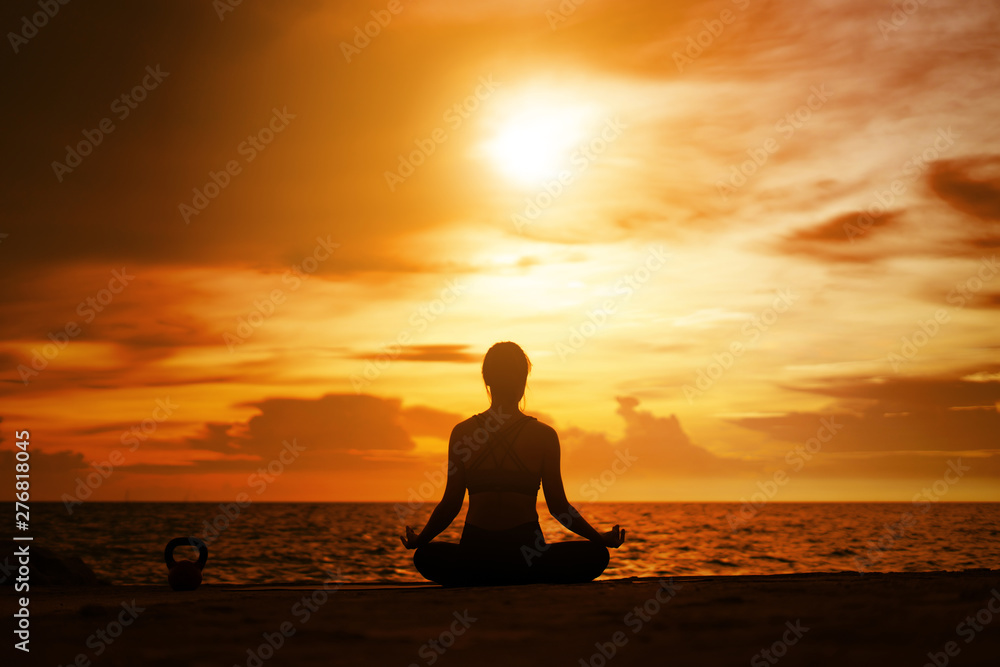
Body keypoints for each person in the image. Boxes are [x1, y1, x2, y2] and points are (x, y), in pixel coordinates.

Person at [400, 341, 626, 586]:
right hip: (526, 555)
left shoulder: (463, 433)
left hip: (476, 555)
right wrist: (599, 538)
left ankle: (481, 575)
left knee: (426, 556)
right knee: (596, 555)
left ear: (487, 380)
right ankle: (524, 575)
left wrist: (420, 540)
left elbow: (451, 504)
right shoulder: (544, 435)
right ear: (523, 381)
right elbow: (558, 507)